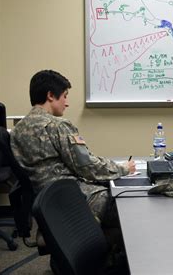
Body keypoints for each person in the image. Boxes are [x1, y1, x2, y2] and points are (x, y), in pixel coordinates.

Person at [11, 70, 136, 252]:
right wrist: (123, 168)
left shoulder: (17, 130)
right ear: (51, 96)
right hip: (77, 199)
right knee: (131, 207)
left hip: (48, 203)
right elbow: (87, 166)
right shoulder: (57, 126)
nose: (67, 103)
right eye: (65, 96)